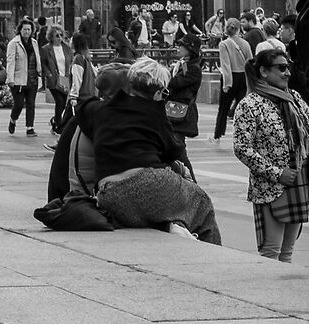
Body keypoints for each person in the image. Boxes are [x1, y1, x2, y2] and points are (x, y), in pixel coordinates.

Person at [86, 56, 222, 241]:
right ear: (158, 93)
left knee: (156, 208)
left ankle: (172, 226)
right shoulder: (154, 111)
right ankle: (212, 255)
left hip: (108, 192)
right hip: (147, 182)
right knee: (200, 202)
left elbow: (83, 114)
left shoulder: (101, 108)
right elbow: (173, 151)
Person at [234, 42, 309, 261]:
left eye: (288, 67)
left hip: (298, 180)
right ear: (264, 72)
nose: (288, 72)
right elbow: (242, 148)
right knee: (270, 252)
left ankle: (287, 294)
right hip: (269, 188)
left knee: (287, 253)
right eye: (281, 68)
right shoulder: (249, 104)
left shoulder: (292, 97)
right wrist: (276, 173)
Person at [214, 18, 251, 137]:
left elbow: (226, 65)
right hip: (243, 77)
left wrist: (227, 84)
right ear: (239, 29)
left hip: (231, 77)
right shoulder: (245, 43)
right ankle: (242, 133)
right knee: (242, 109)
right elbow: (250, 62)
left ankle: (218, 132)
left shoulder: (224, 44)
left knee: (223, 108)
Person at [4, 22, 37, 135]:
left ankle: (29, 127)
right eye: (25, 29)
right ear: (20, 30)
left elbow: (37, 59)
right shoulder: (13, 43)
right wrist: (10, 79)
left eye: (29, 29)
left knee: (31, 104)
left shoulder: (34, 43)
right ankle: (13, 120)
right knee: (18, 104)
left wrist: (40, 71)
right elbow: (10, 61)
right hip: (18, 79)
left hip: (32, 78)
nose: (27, 32)